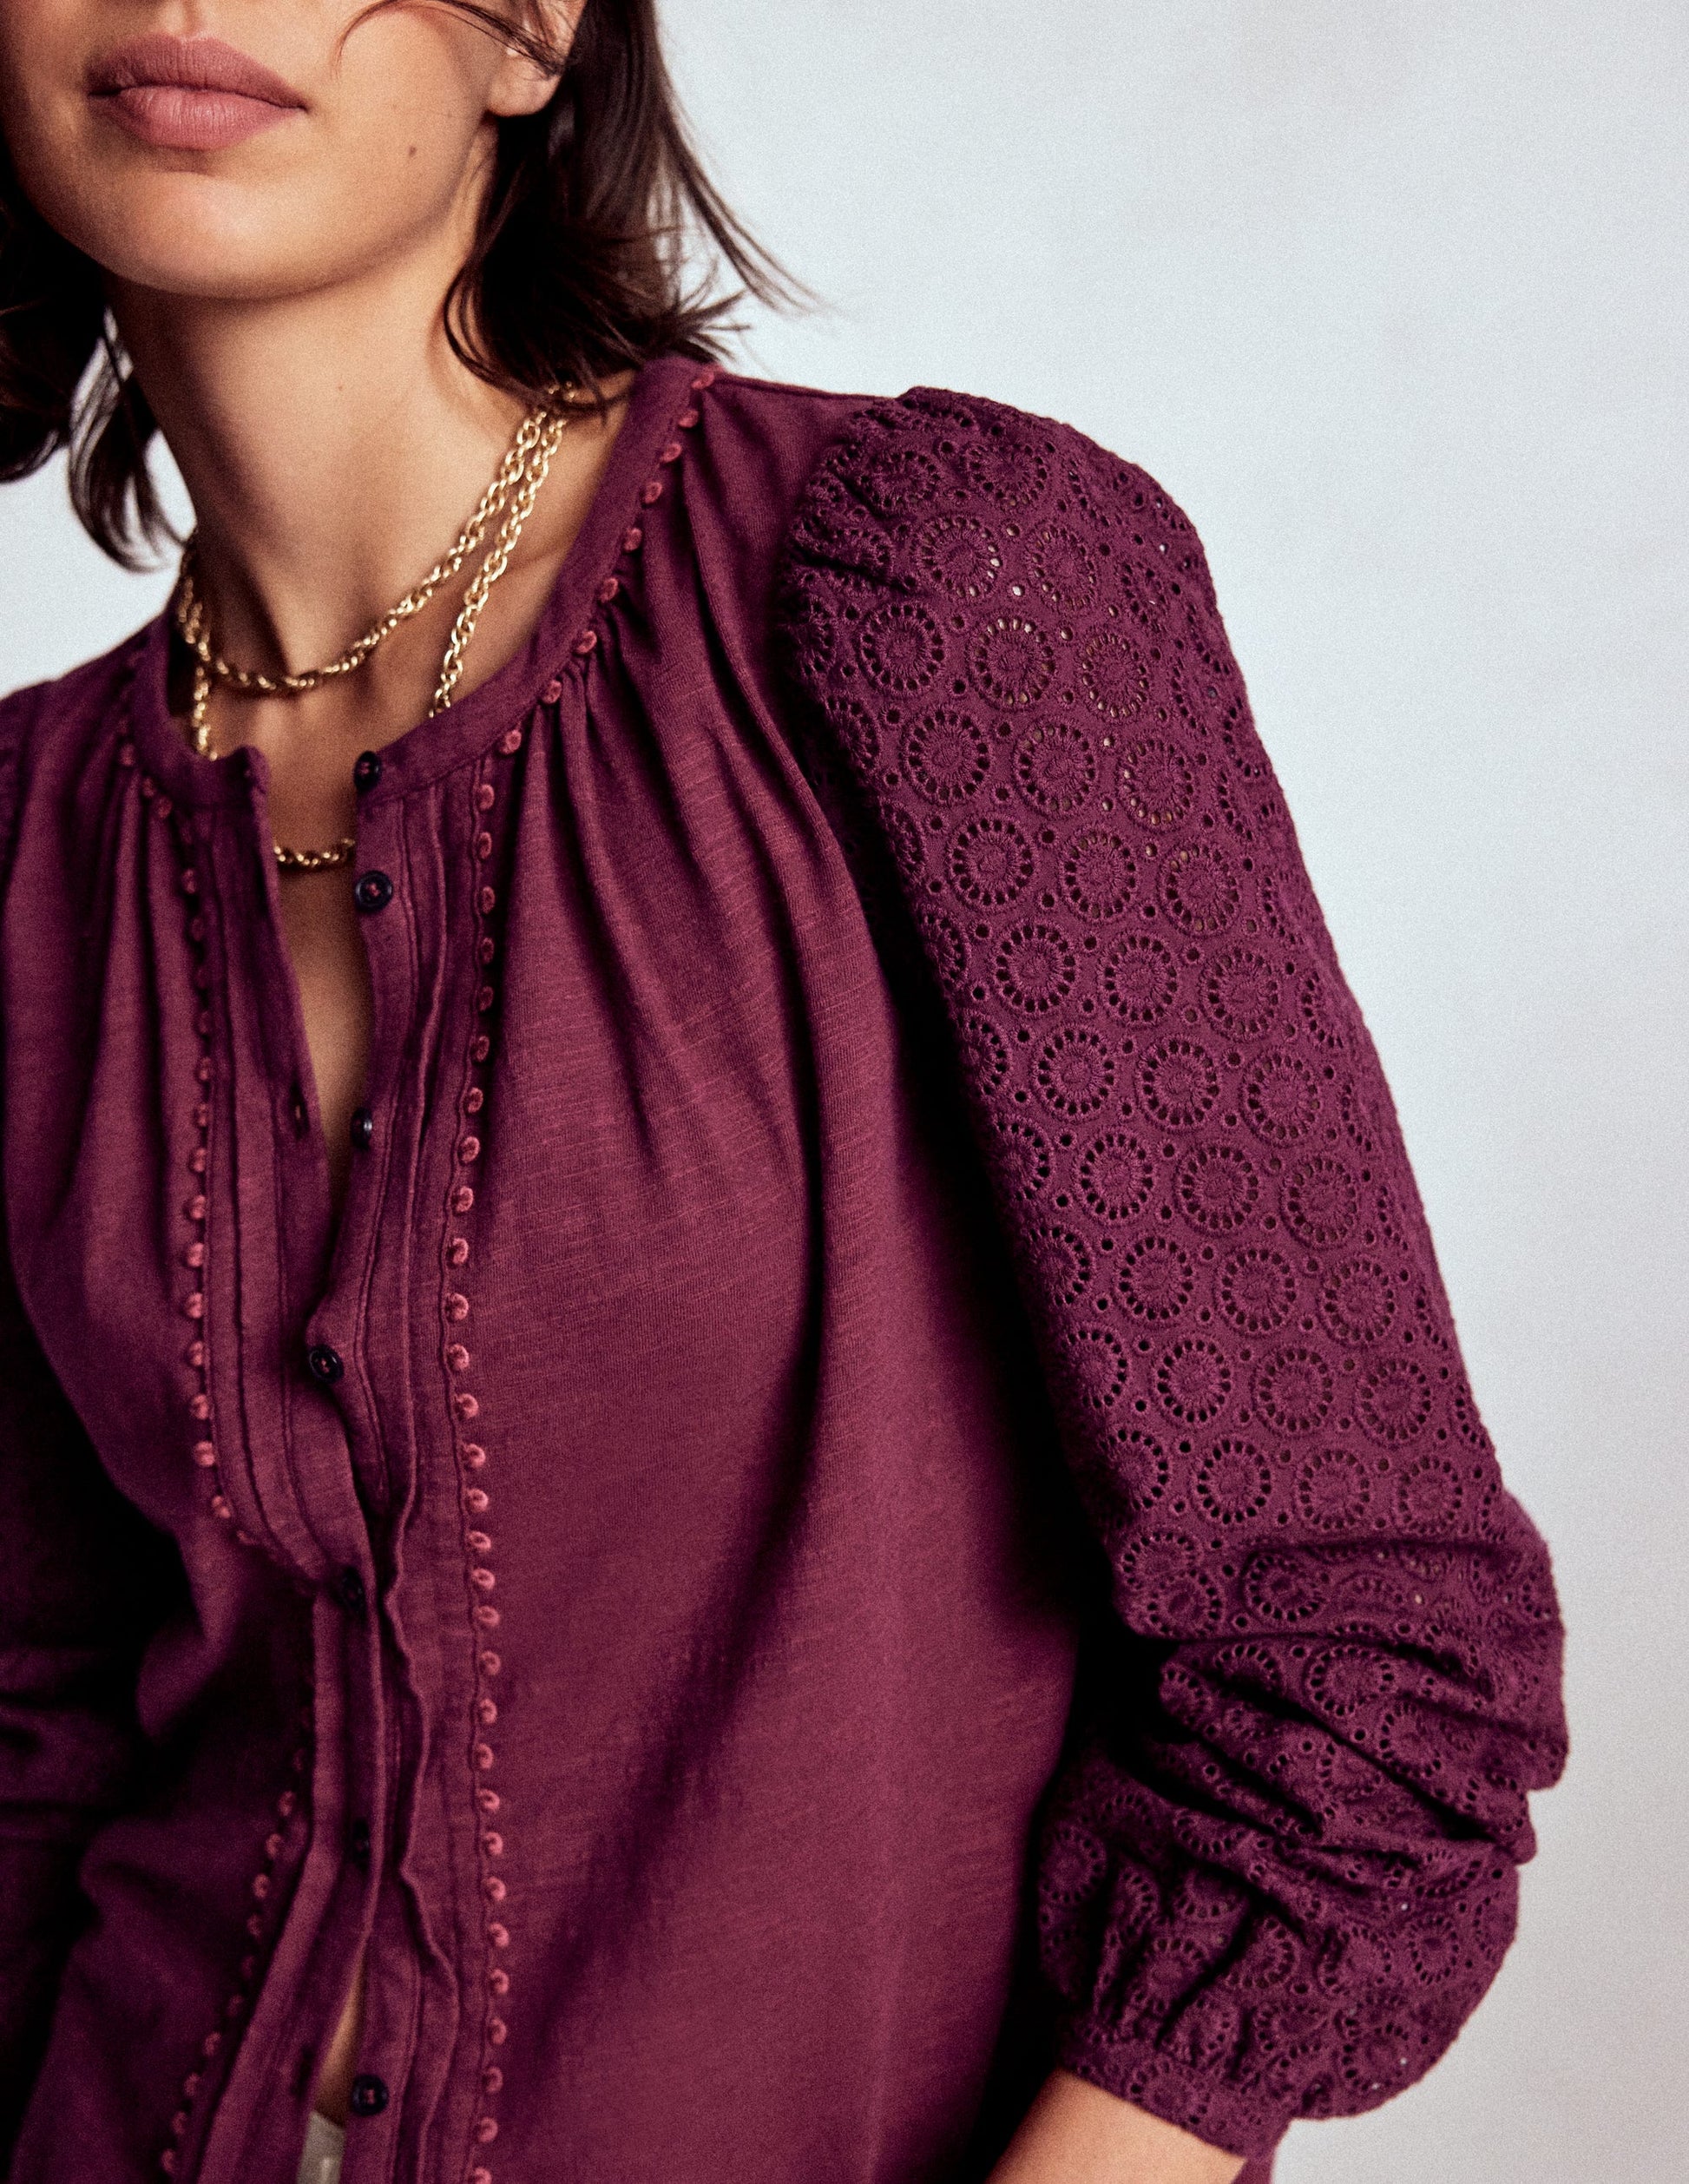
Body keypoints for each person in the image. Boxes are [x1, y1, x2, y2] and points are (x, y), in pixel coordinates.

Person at [0, 5, 1569, 2183]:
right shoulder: (21, 842)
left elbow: (1362, 1666)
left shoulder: (936, 588)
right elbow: (41, 1732)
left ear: (539, 28)